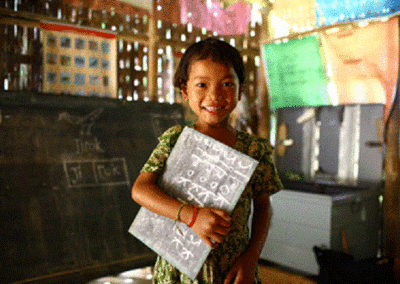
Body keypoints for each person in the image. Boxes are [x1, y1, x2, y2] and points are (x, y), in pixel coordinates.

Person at [131, 37, 283, 284]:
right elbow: (140, 190)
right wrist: (192, 217)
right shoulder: (174, 140)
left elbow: (263, 208)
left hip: (232, 271)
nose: (214, 96)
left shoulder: (254, 150)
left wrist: (251, 259)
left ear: (240, 91)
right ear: (185, 91)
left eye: (226, 84)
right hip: (176, 270)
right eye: (202, 84)